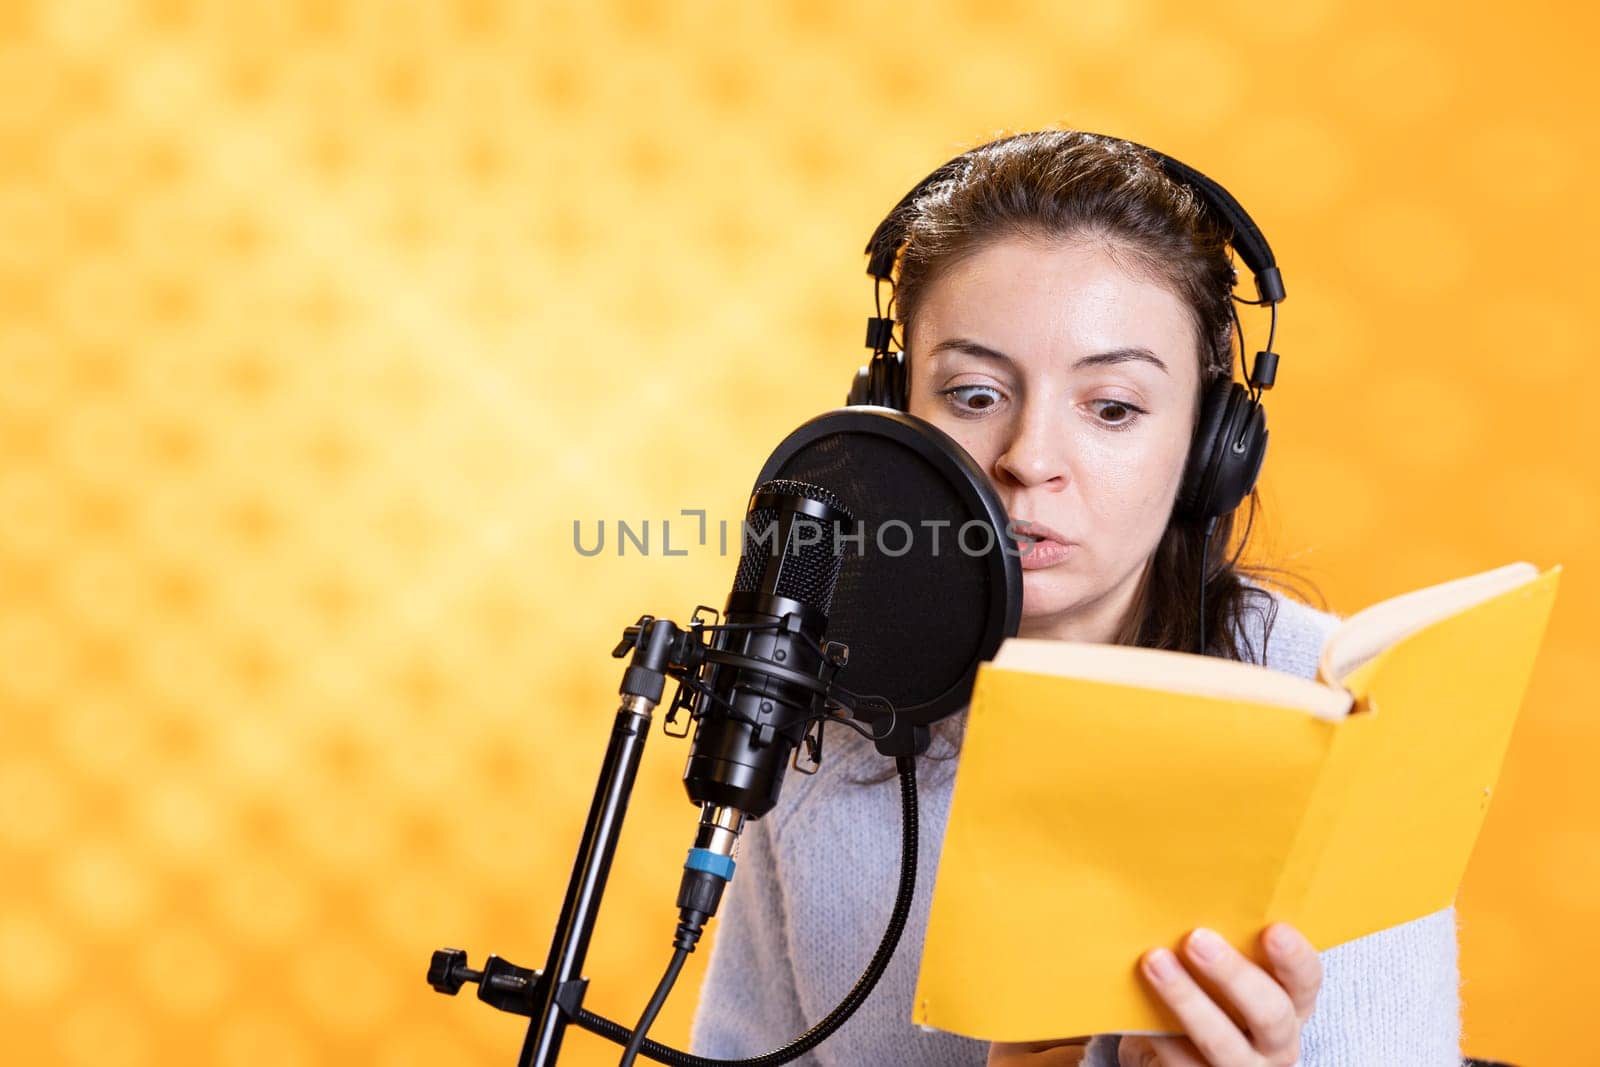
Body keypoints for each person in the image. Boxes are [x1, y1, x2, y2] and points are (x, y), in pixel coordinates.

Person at [688, 130, 1462, 1066]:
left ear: (1212, 443)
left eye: (1112, 407)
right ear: (892, 410)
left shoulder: (1346, 716)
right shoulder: (822, 712)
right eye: (973, 394)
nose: (1030, 459)